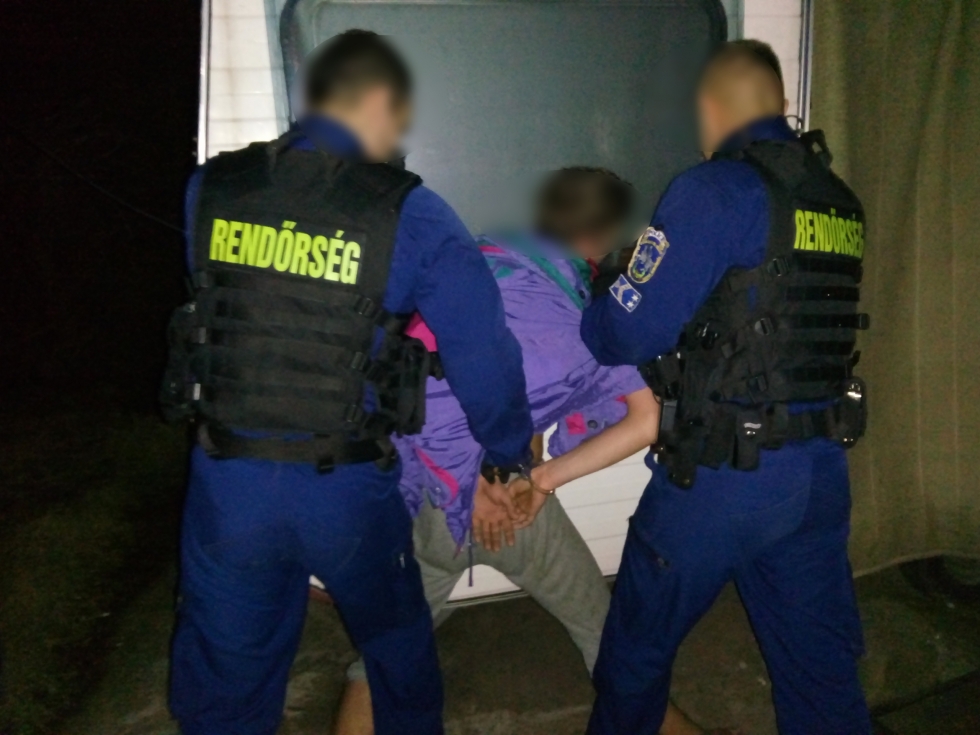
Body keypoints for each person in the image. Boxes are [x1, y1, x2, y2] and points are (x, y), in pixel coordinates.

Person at [162, 30, 534, 735]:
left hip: (227, 480)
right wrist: (509, 449)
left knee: (226, 673)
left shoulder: (212, 187)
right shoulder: (413, 213)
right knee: (397, 648)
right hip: (346, 489)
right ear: (379, 102)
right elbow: (483, 353)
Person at [334, 168, 727, 735]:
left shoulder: (473, 267)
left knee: (382, 657)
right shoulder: (588, 324)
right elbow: (646, 422)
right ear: (602, 235)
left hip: (423, 497)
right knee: (606, 637)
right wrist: (533, 480)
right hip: (506, 507)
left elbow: (414, 380)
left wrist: (466, 481)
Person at [581, 41, 872, 734]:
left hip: (723, 477)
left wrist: (603, 298)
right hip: (818, 472)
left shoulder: (713, 189)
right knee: (819, 669)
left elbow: (626, 334)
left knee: (634, 654)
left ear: (711, 110)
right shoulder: (839, 202)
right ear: (781, 103)